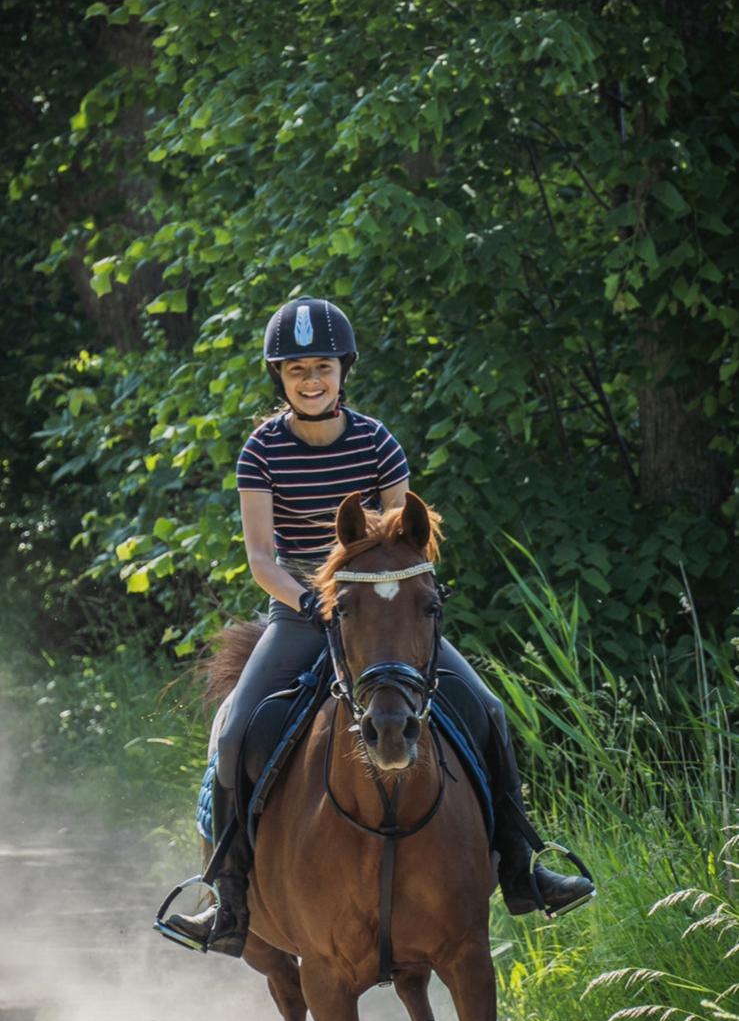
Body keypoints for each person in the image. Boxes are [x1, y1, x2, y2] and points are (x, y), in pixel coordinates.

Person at [165, 296, 594, 957]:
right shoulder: (261, 449)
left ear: (344, 371)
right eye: (297, 368)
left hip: (383, 612)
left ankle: (521, 868)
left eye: (323, 366)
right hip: (301, 611)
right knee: (238, 730)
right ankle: (227, 896)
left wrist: (373, 598)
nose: (312, 379)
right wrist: (311, 600)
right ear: (278, 376)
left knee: (485, 712)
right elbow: (259, 556)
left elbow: (404, 540)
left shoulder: (375, 441)